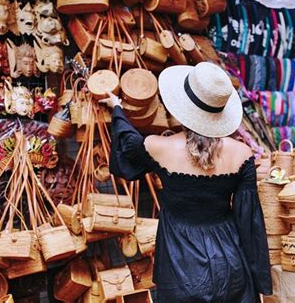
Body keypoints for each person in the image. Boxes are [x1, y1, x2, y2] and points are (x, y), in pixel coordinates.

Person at [100, 62, 272, 302]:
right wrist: (258, 280)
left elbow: (127, 143)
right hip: (230, 265)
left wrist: (117, 109)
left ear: (183, 107)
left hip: (180, 265)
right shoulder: (242, 154)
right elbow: (250, 222)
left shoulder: (159, 147)